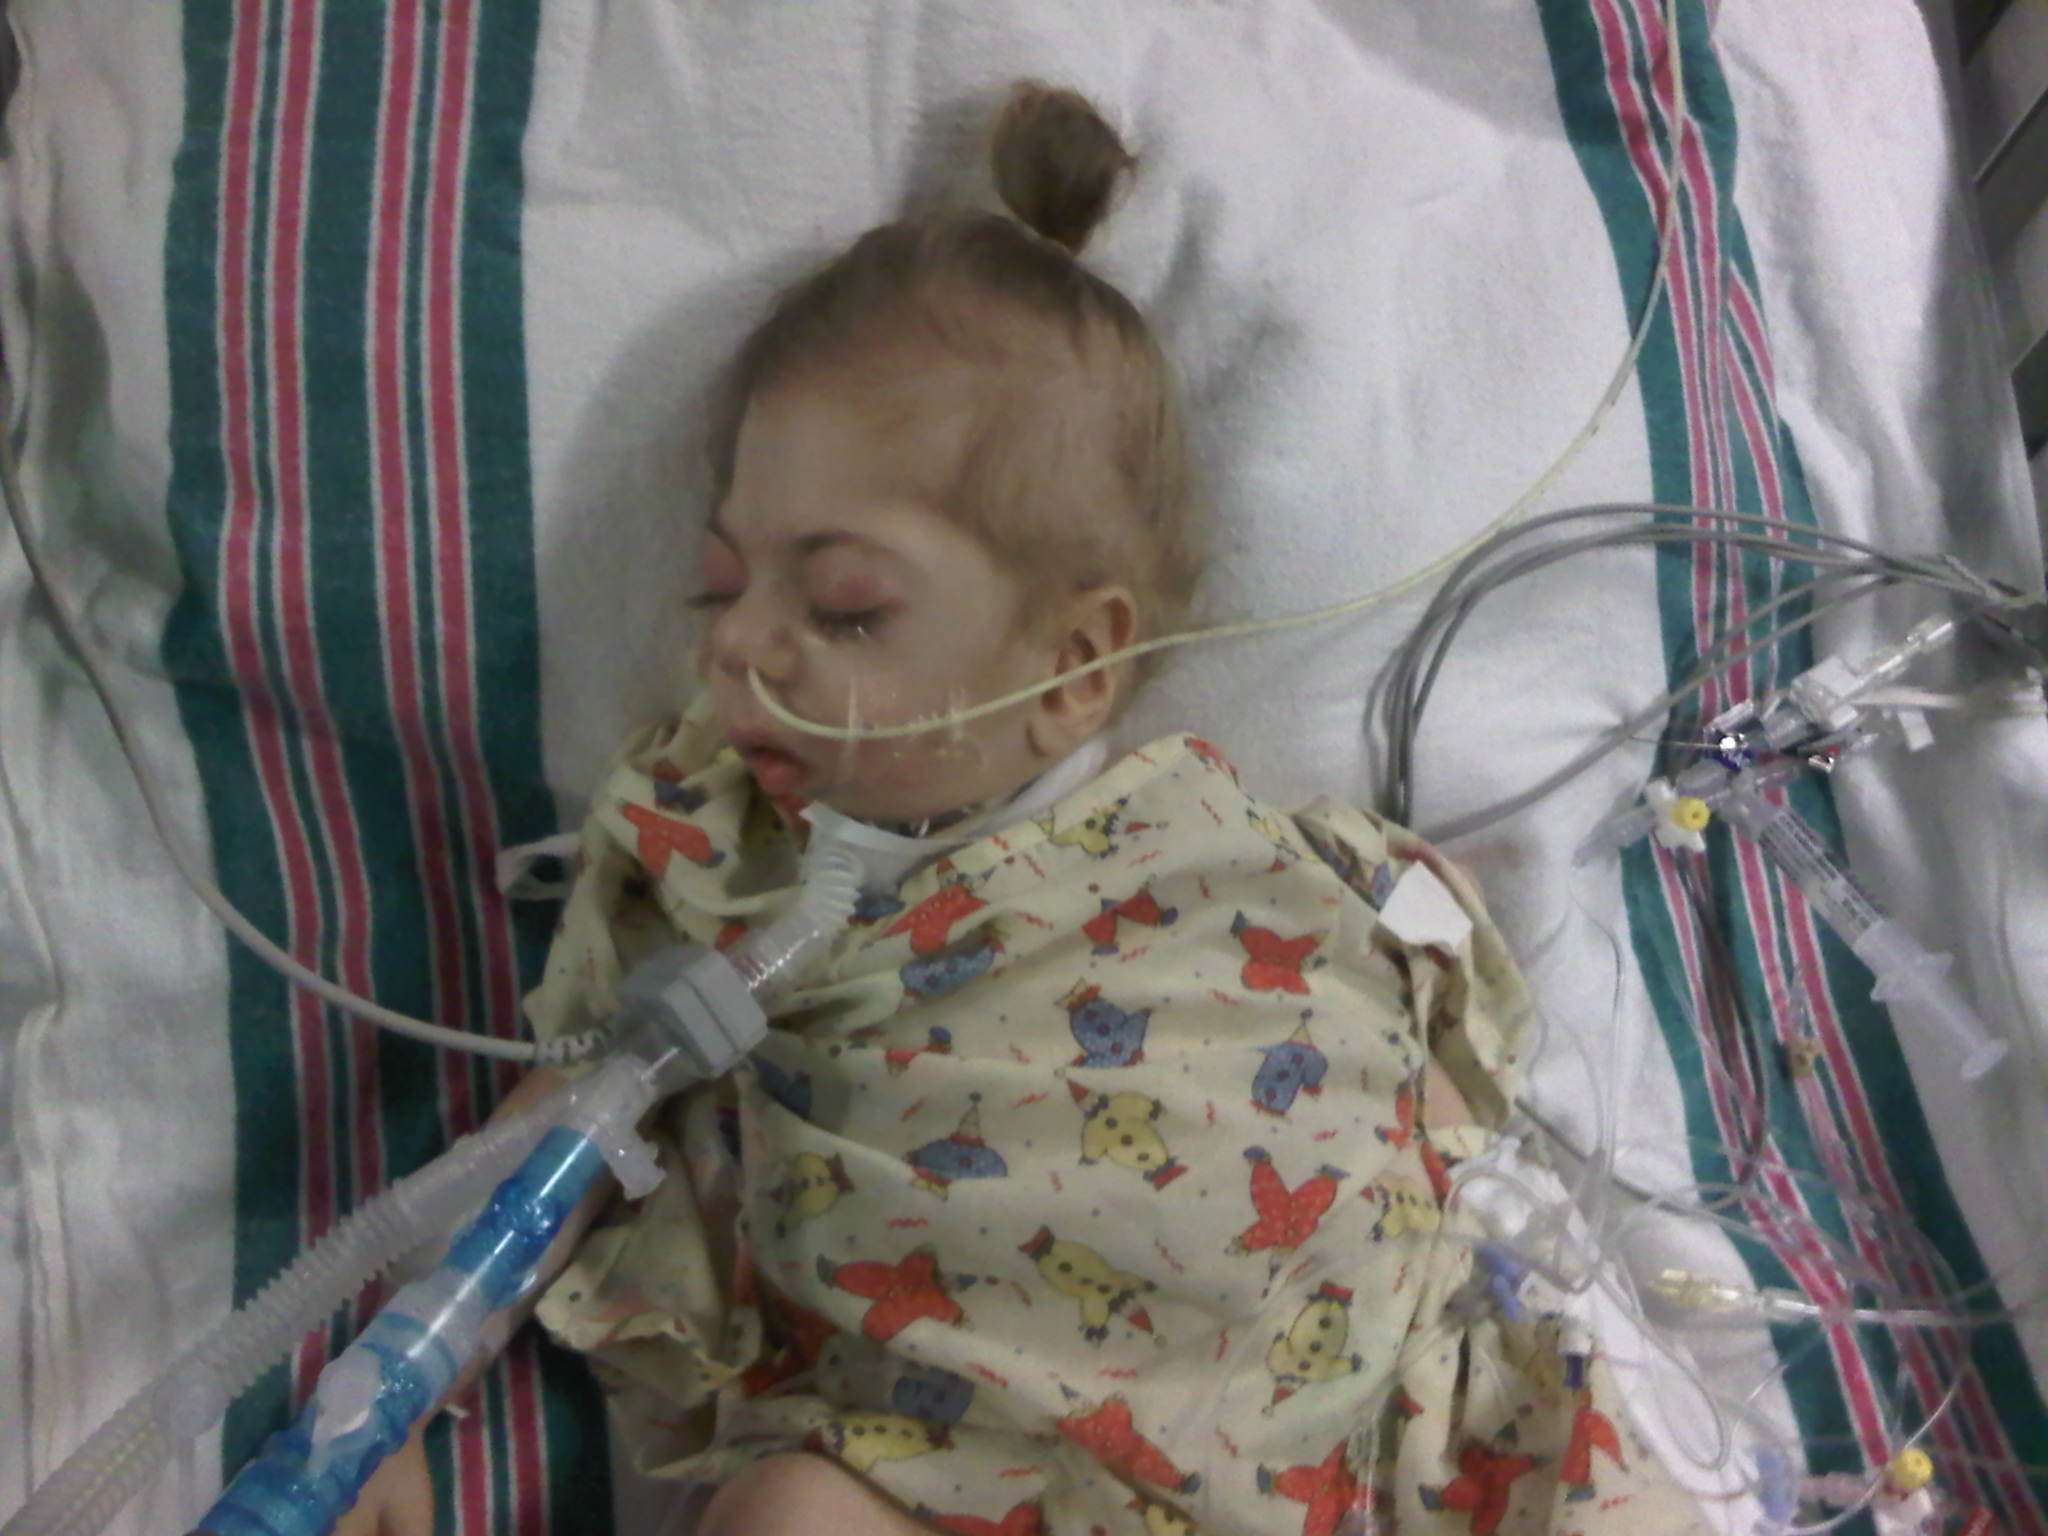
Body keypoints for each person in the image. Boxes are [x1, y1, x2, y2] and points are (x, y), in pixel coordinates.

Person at [339, 82, 1708, 1536]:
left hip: (1352, 1434)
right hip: (963, 1465)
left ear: (1072, 667)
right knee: (786, 1517)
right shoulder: (722, 864)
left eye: (844, 606)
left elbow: (1428, 935)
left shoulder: (1223, 847)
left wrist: (1421, 1089)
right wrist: (382, 1402)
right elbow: (556, 1135)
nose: (740, 646)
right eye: (722, 585)